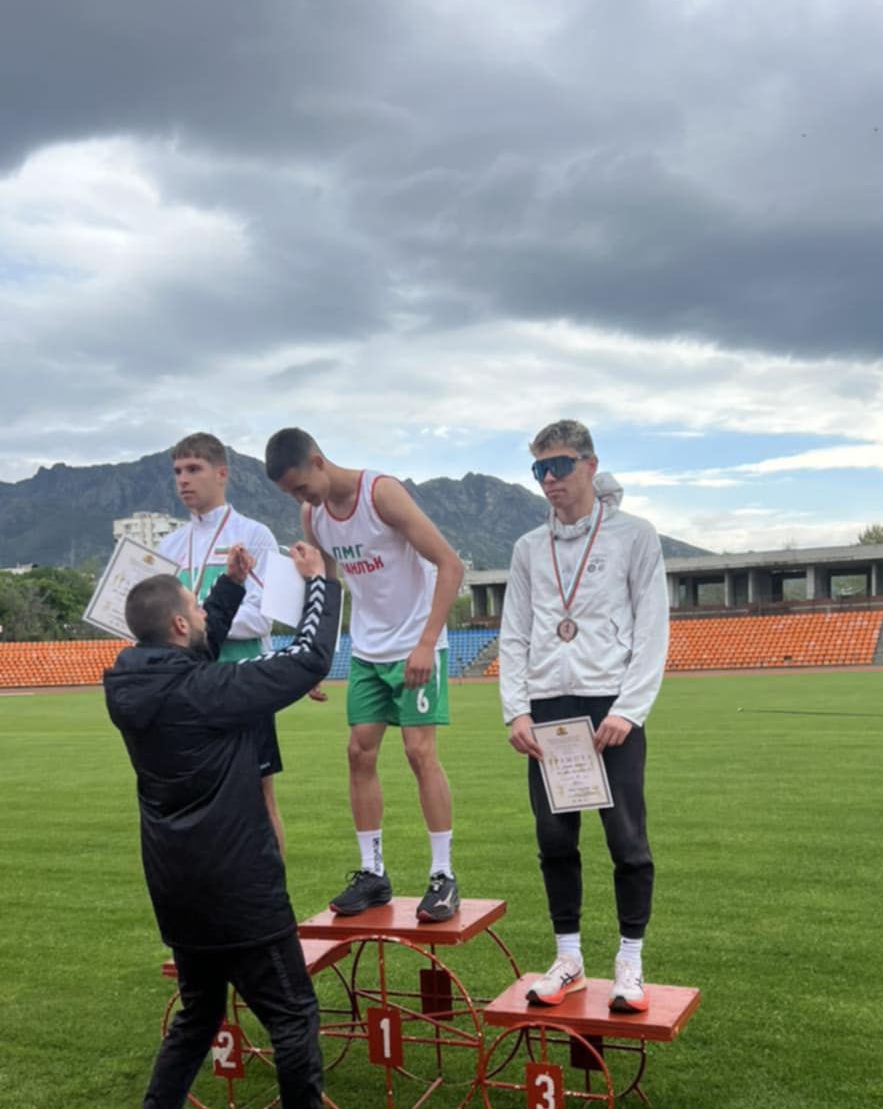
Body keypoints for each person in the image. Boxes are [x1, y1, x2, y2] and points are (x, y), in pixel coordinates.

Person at [101, 540, 379, 1109]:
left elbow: (193, 653)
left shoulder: (138, 684)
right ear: (178, 625)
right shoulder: (205, 691)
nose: (204, 617)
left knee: (198, 1016)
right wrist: (320, 582)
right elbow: (309, 659)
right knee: (293, 1015)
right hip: (237, 884)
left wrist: (224, 590)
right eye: (197, 609)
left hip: (178, 887)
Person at [498, 419, 669, 1013]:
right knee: (554, 838)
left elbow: (652, 628)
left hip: (610, 707)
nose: (549, 479)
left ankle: (630, 962)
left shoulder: (634, 536)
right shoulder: (527, 547)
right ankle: (568, 958)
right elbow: (514, 632)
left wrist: (630, 709)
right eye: (539, 469)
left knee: (626, 840)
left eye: (560, 465)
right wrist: (516, 711)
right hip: (549, 710)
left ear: (590, 465)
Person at [264, 427, 465, 923]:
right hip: (368, 649)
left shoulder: (381, 494)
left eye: (300, 486)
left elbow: (450, 565)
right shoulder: (313, 515)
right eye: (290, 494)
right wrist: (314, 655)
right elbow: (329, 585)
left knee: (419, 753)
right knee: (358, 753)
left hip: (415, 644)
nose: (300, 498)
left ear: (318, 460)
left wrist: (425, 643)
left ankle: (443, 875)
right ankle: (373, 872)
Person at [159, 432, 288, 855]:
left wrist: (194, 625)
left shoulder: (254, 535)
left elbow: (260, 617)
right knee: (197, 799)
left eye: (193, 469)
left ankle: (273, 894)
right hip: (189, 689)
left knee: (260, 797)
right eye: (178, 471)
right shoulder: (168, 545)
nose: (183, 479)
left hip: (243, 682)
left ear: (221, 473)